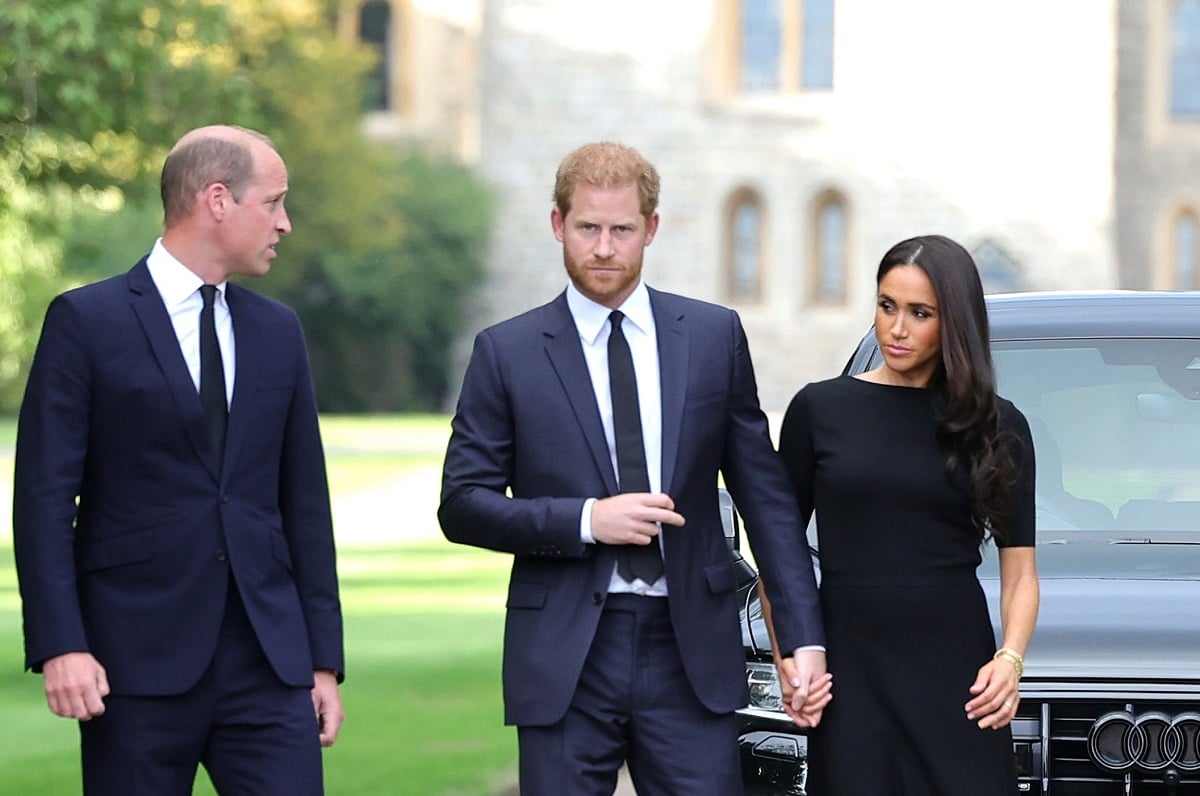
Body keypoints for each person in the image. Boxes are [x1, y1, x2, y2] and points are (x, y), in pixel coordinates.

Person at [438, 141, 828, 795]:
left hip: (690, 650)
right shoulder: (506, 353)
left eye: (621, 229)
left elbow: (767, 500)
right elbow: (462, 503)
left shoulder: (712, 337)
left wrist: (803, 638)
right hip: (563, 655)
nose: (603, 247)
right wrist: (588, 520)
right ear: (558, 223)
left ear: (651, 228)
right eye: (587, 227)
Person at [12, 125, 345, 795]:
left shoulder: (279, 333)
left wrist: (322, 662)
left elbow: (304, 503)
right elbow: (44, 499)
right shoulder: (86, 320)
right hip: (131, 664)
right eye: (274, 203)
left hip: (268, 665)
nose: (285, 223)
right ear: (217, 201)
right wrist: (60, 644)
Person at [764, 234, 1040, 794]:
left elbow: (1020, 573)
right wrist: (789, 660)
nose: (896, 328)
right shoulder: (820, 411)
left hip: (957, 676)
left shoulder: (999, 427)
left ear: (954, 322)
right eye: (887, 306)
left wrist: (1010, 659)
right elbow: (779, 558)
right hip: (851, 675)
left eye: (920, 314)